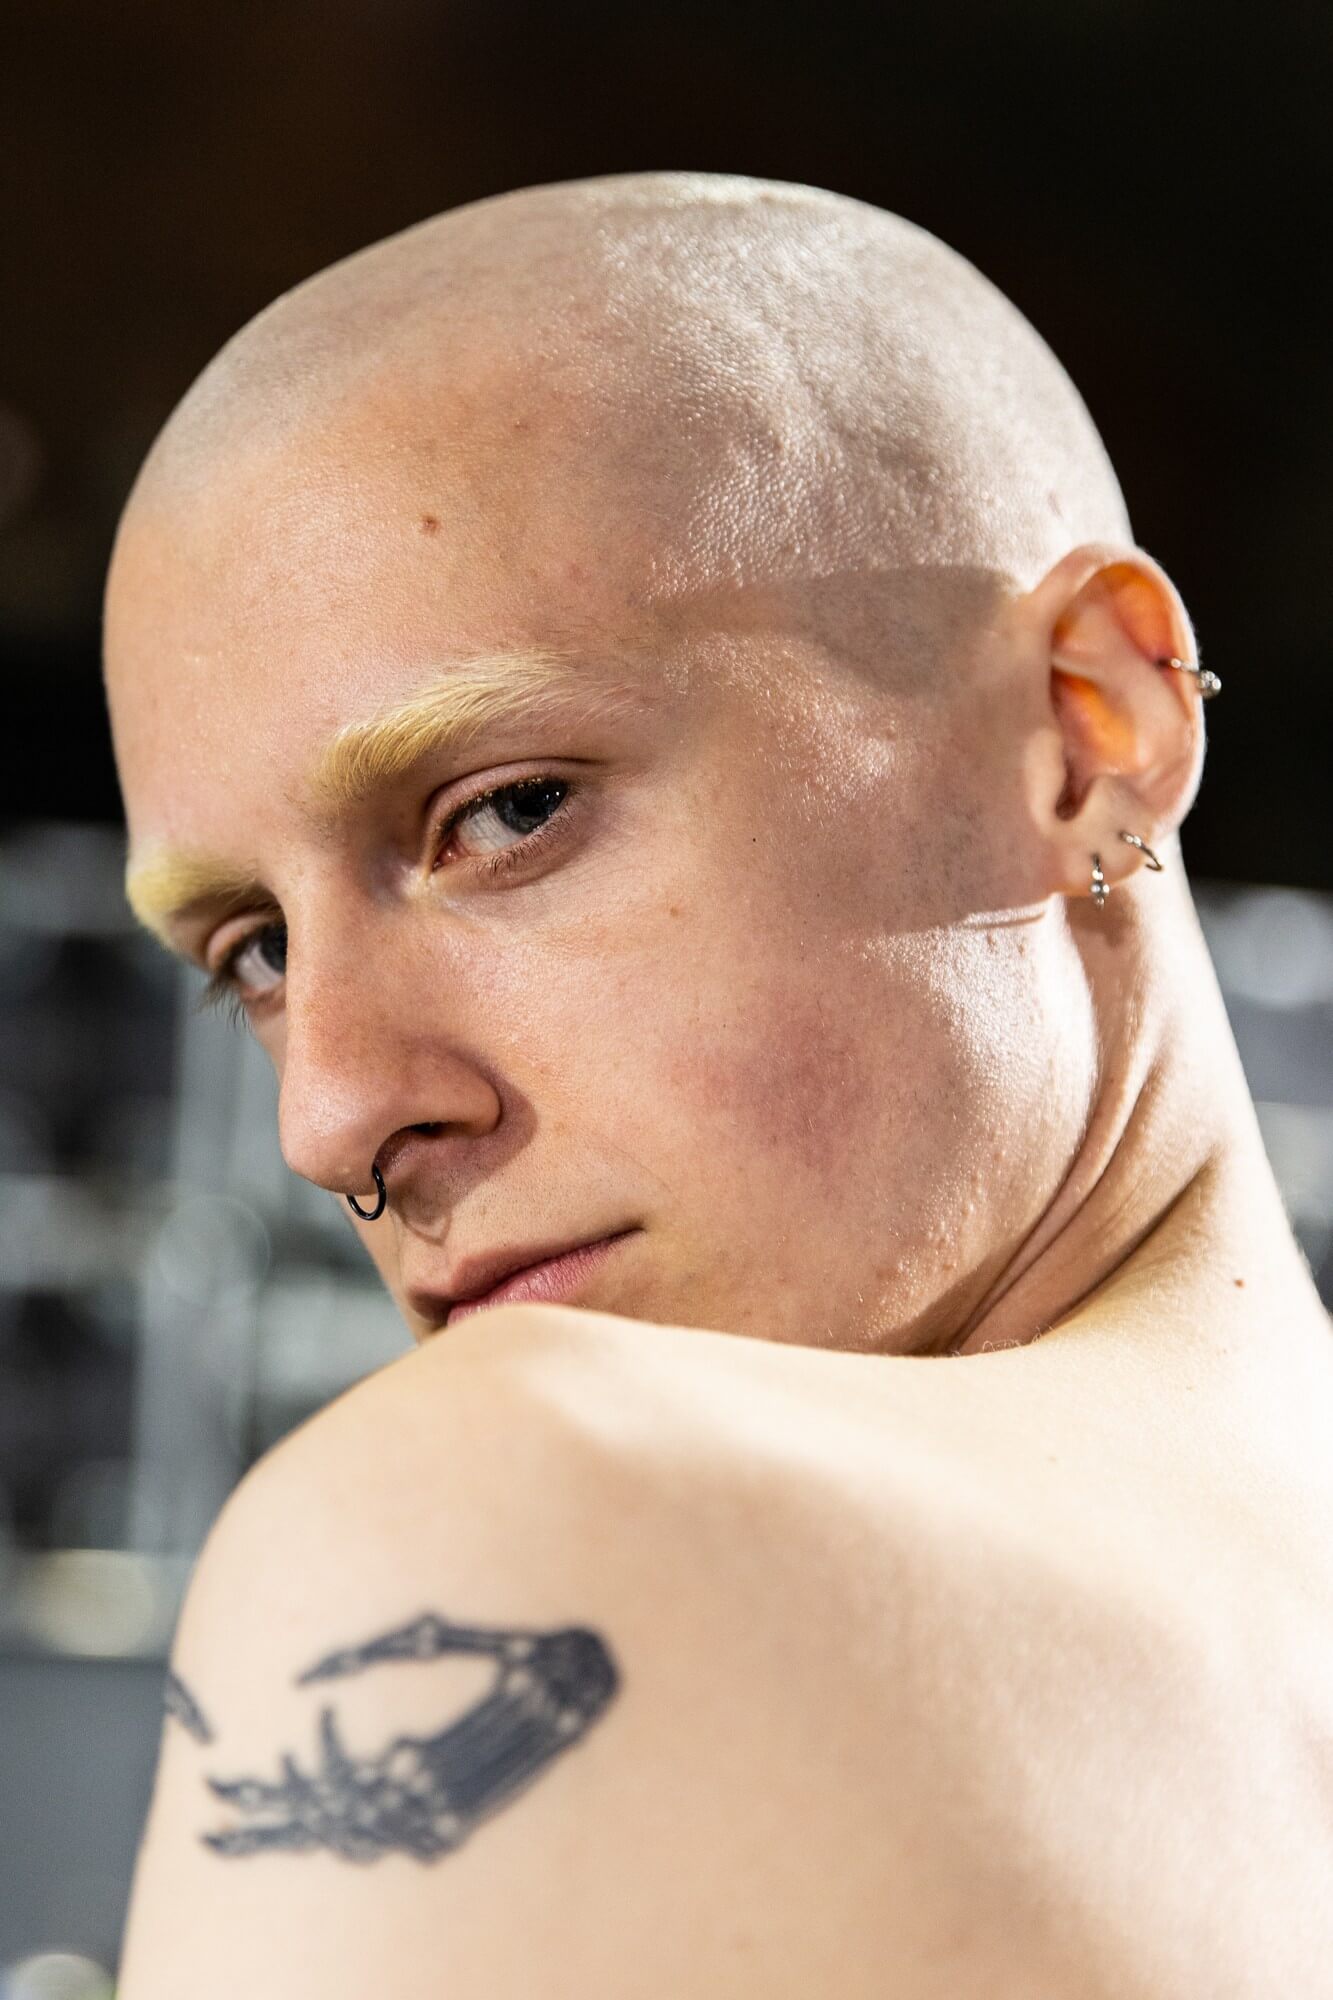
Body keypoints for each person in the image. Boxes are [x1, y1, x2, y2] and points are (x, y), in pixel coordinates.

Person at [103, 171, 1332, 1996]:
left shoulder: (516, 1507)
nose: (333, 1117)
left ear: (1089, 726)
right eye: (254, 957)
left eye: (505, 813)